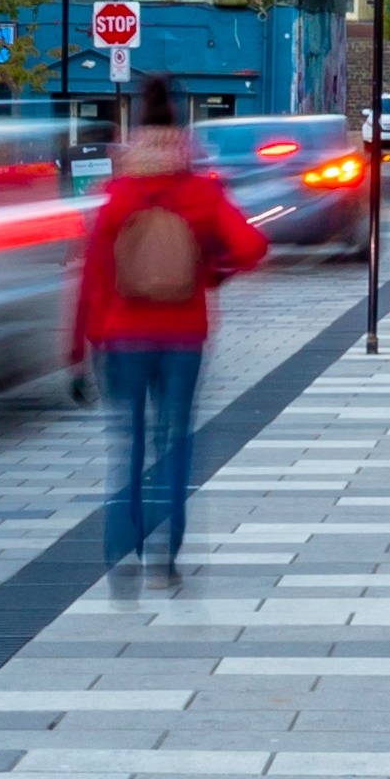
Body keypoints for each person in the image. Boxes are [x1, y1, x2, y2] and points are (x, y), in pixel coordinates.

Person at [74, 84, 266, 581]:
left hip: (120, 337)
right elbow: (251, 245)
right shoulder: (201, 192)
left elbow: (92, 276)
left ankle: (121, 546)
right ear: (180, 133)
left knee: (129, 442)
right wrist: (210, 272)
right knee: (175, 441)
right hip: (184, 334)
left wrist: (77, 349)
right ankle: (168, 551)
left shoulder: (115, 196)